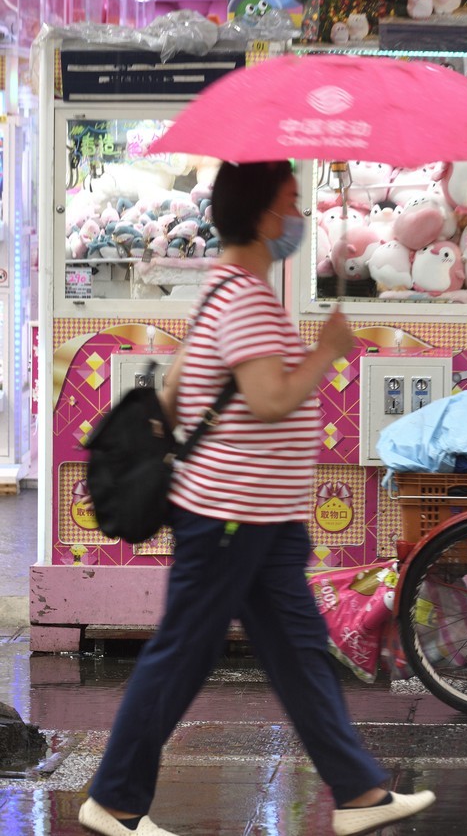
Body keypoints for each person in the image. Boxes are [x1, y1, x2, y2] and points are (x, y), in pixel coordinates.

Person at [78, 161, 435, 836]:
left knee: (300, 653)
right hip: (229, 517)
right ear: (267, 214)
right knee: (183, 652)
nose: (298, 216)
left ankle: (359, 791)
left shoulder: (229, 290)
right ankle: (116, 799)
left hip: (261, 518)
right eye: (292, 201)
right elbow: (270, 399)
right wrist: (327, 350)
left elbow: (180, 391)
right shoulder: (242, 296)